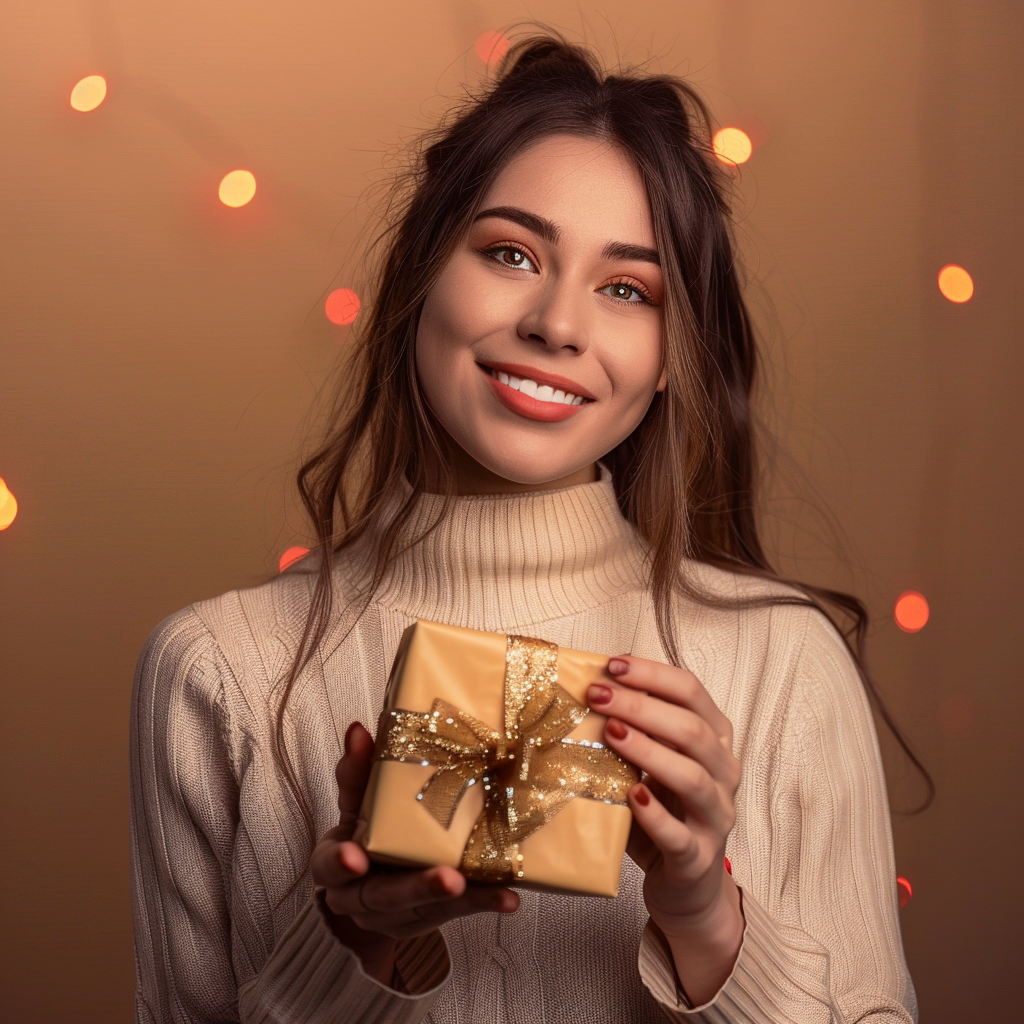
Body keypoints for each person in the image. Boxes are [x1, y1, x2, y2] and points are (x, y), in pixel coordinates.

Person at [129, 34, 925, 1023]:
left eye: (627, 288)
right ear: (422, 271)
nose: (558, 322)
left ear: (674, 354)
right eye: (510, 252)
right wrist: (357, 944)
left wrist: (707, 917)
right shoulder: (218, 669)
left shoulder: (781, 657)